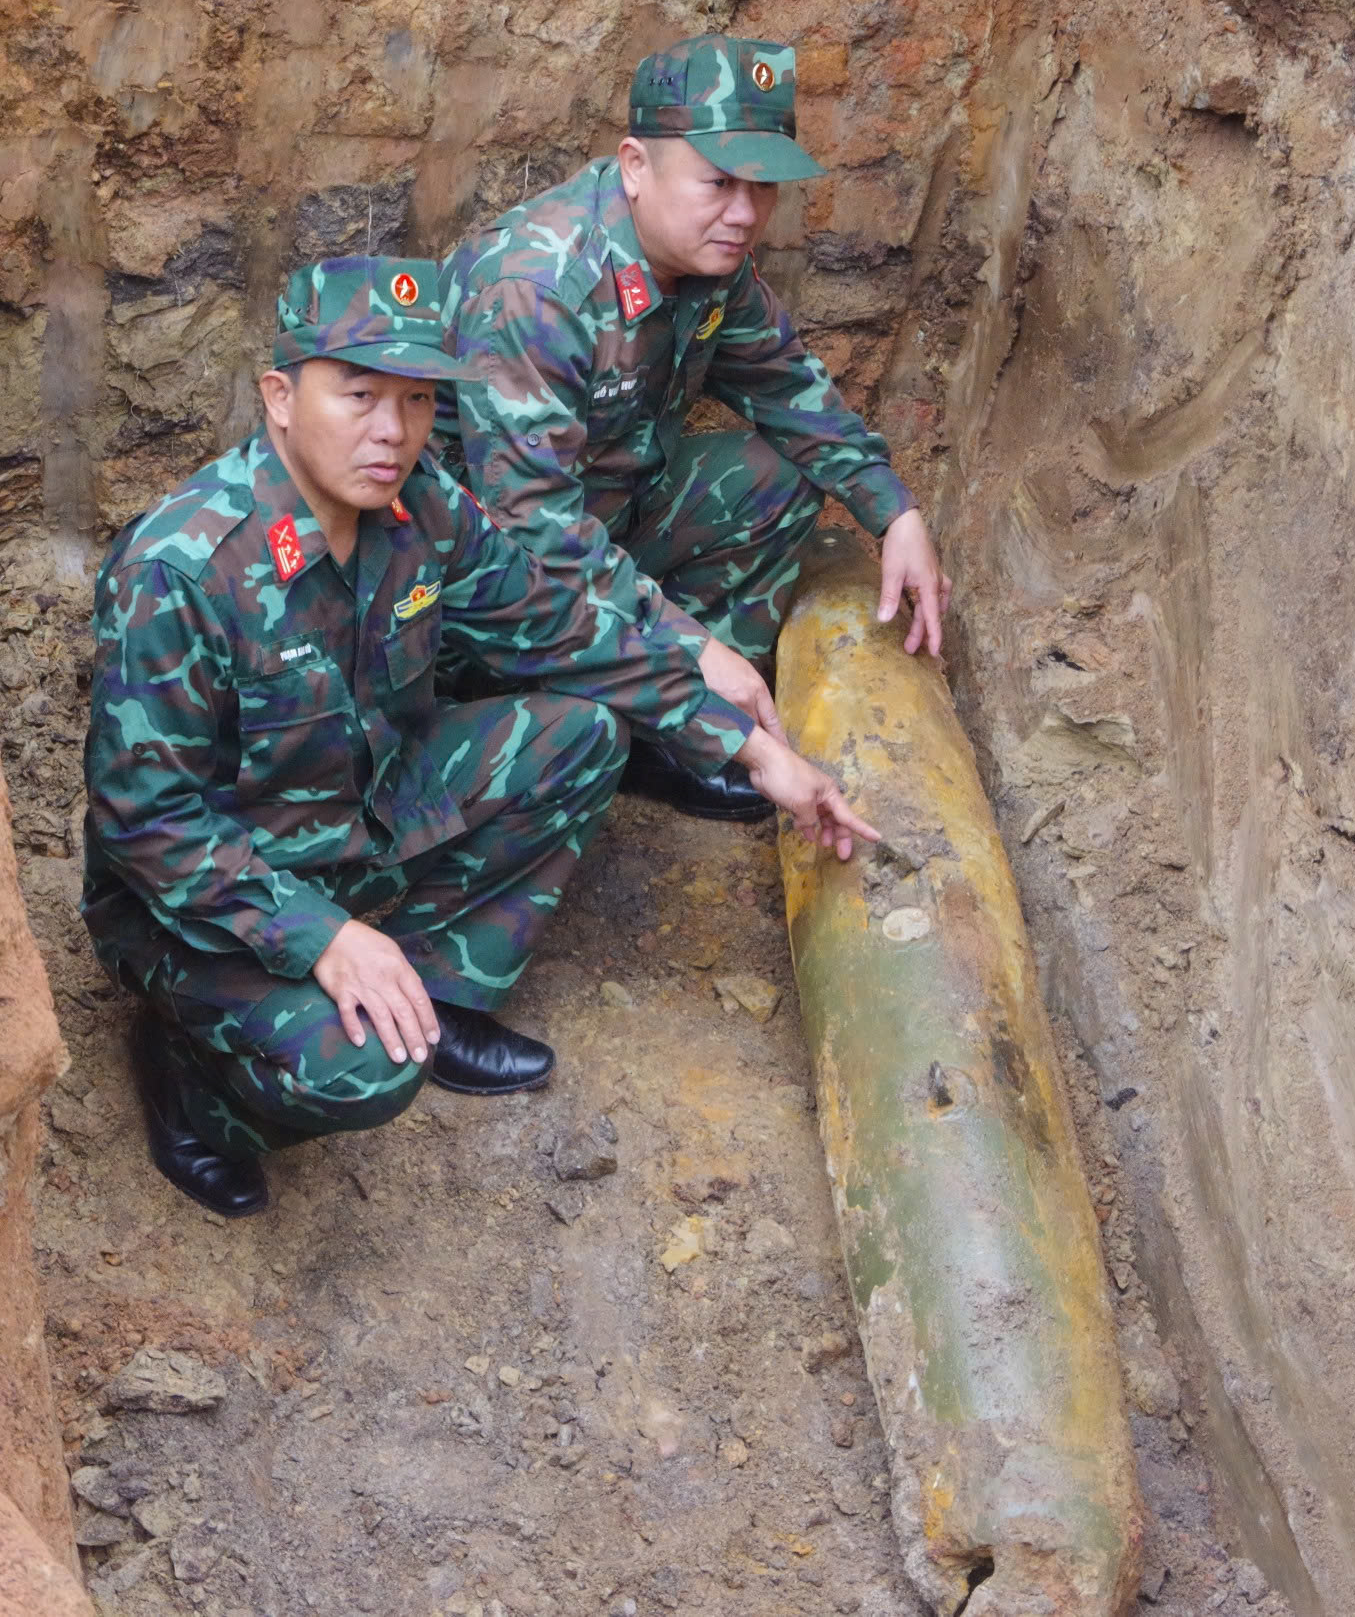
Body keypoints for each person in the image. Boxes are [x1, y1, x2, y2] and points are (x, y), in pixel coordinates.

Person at [80, 256, 879, 1216]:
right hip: (212, 894)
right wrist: (320, 935)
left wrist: (755, 750)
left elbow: (563, 630)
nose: (393, 431)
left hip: (357, 817)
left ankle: (429, 981)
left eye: (418, 400)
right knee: (366, 1073)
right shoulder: (181, 570)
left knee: (583, 736)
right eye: (361, 393)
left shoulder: (424, 507)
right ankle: (194, 1080)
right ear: (281, 397)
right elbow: (146, 823)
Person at [435, 34, 949, 822]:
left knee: (776, 479)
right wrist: (692, 648)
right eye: (717, 182)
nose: (745, 215)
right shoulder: (535, 291)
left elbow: (785, 385)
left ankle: (677, 738)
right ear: (636, 166)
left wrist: (895, 510)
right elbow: (534, 535)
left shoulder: (707, 257)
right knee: (572, 681)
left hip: (607, 520)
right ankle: (655, 708)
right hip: (479, 589)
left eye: (762, 187)